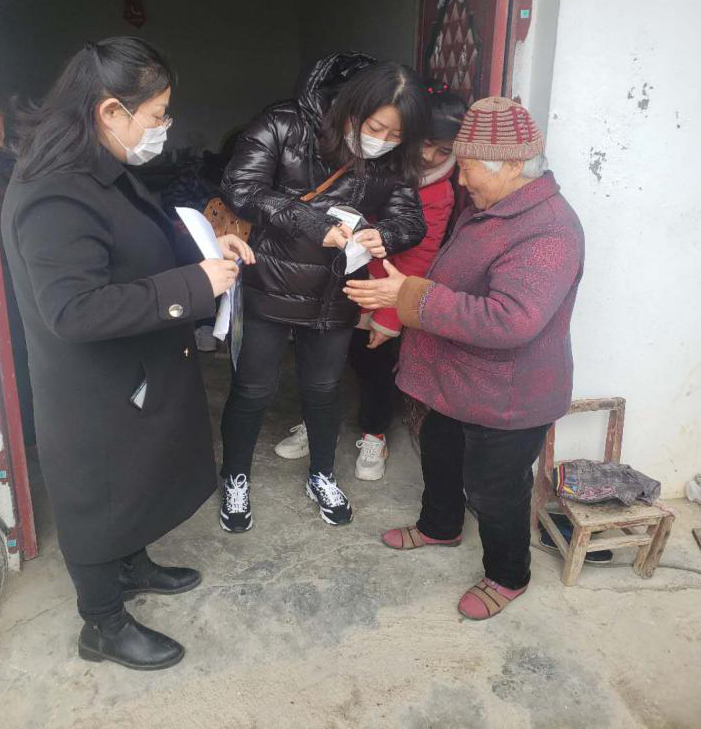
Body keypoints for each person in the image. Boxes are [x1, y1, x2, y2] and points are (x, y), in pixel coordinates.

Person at [1, 37, 253, 670]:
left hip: (128, 368)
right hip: (91, 385)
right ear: (111, 111)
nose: (164, 127)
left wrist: (207, 248)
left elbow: (134, 244)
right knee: (99, 496)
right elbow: (73, 309)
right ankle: (103, 625)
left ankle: (131, 565)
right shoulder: (55, 195)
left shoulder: (97, 169)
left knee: (135, 480)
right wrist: (194, 286)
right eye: (157, 114)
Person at [344, 96, 584, 619]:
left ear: (512, 166)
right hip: (456, 378)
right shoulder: (490, 207)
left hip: (507, 393)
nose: (459, 177)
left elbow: (510, 320)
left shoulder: (548, 229)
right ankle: (440, 527)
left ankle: (508, 575)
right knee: (440, 453)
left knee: (495, 490)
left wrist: (407, 297)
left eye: (469, 166)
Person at [219, 53, 429, 531]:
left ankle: (322, 474)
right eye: (376, 127)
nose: (382, 141)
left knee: (323, 389)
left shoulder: (391, 157)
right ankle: (235, 477)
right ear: (352, 108)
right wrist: (312, 223)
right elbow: (240, 187)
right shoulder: (285, 123)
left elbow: (410, 218)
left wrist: (385, 234)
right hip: (271, 280)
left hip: (335, 289)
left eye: (396, 135)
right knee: (253, 388)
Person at [275, 80, 467, 482]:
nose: (429, 157)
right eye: (425, 144)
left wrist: (387, 317)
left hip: (381, 293)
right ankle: (317, 425)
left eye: (443, 151)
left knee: (375, 368)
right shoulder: (367, 162)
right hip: (334, 282)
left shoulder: (440, 193)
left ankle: (374, 434)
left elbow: (419, 256)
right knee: (321, 365)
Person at [0, 90, 36, 446]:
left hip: (32, 270)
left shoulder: (23, 159)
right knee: (12, 354)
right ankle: (23, 434)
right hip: (0, 279)